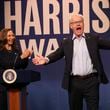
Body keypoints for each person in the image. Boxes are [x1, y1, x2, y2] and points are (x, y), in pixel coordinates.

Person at [32, 14, 110, 110]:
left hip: (92, 82)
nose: (78, 24)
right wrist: (46, 59)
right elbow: (57, 54)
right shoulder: (66, 42)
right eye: (75, 22)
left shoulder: (93, 39)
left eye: (80, 22)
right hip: (74, 83)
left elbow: (108, 44)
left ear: (83, 24)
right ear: (71, 26)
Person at [0, 28, 31, 110]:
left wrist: (26, 57)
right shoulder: (1, 51)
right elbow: (7, 65)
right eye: (9, 36)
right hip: (3, 87)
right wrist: (21, 57)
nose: (12, 37)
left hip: (16, 86)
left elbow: (23, 65)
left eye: (13, 35)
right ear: (4, 37)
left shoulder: (16, 51)